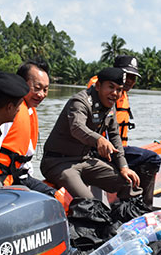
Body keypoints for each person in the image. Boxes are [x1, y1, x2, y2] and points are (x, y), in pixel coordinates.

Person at [41, 67, 142, 202]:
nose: (115, 93)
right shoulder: (80, 102)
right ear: (98, 86)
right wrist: (98, 139)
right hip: (58, 163)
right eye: (111, 87)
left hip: (84, 160)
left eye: (119, 89)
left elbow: (114, 136)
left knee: (128, 184)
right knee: (90, 203)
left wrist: (124, 167)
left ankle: (127, 219)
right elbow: (77, 127)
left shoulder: (110, 104)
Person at [87, 55, 161, 206]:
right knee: (152, 159)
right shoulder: (102, 89)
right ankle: (144, 207)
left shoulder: (119, 92)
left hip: (117, 150)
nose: (130, 81)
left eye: (133, 77)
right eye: (127, 76)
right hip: (101, 151)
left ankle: (129, 203)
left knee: (141, 159)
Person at [0, 60, 56, 197]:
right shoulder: (10, 111)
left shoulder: (30, 111)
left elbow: (25, 158)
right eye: (37, 88)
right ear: (22, 83)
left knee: (59, 197)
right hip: (1, 179)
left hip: (20, 176)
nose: (41, 94)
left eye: (45, 89)